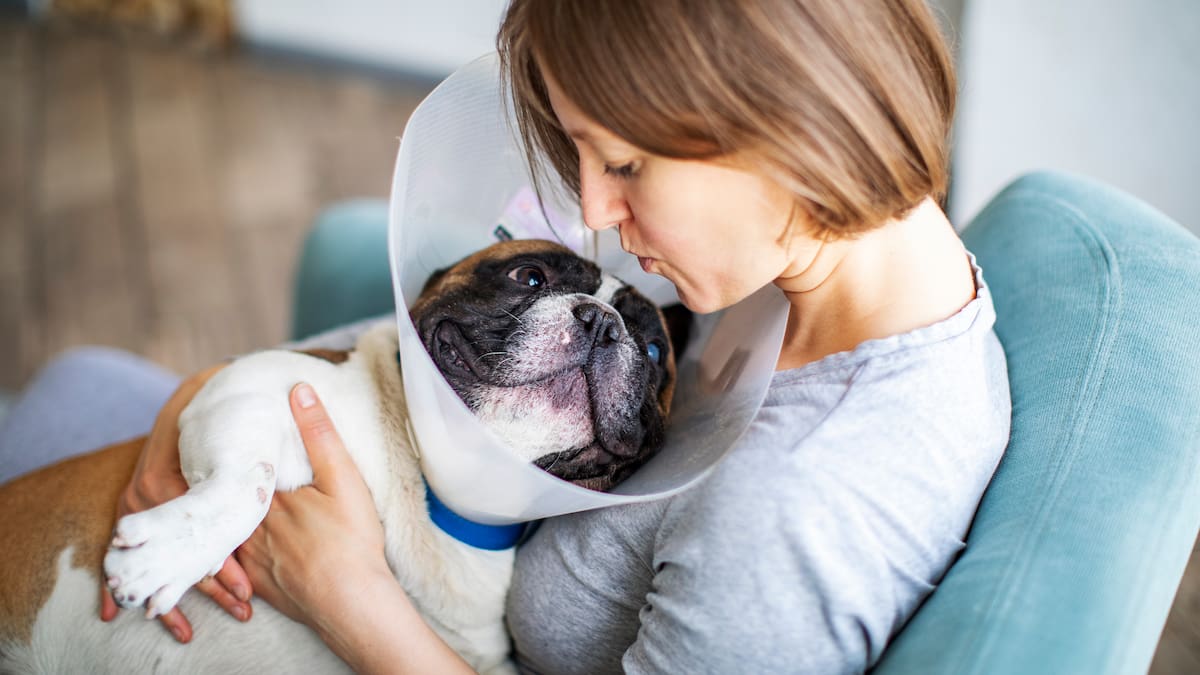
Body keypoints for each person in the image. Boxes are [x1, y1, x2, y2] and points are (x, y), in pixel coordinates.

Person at [0, 0, 1011, 672]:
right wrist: (213, 403)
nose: (597, 213)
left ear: (790, 131)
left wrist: (352, 600)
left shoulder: (800, 512)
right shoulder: (778, 256)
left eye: (623, 166)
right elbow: (433, 335)